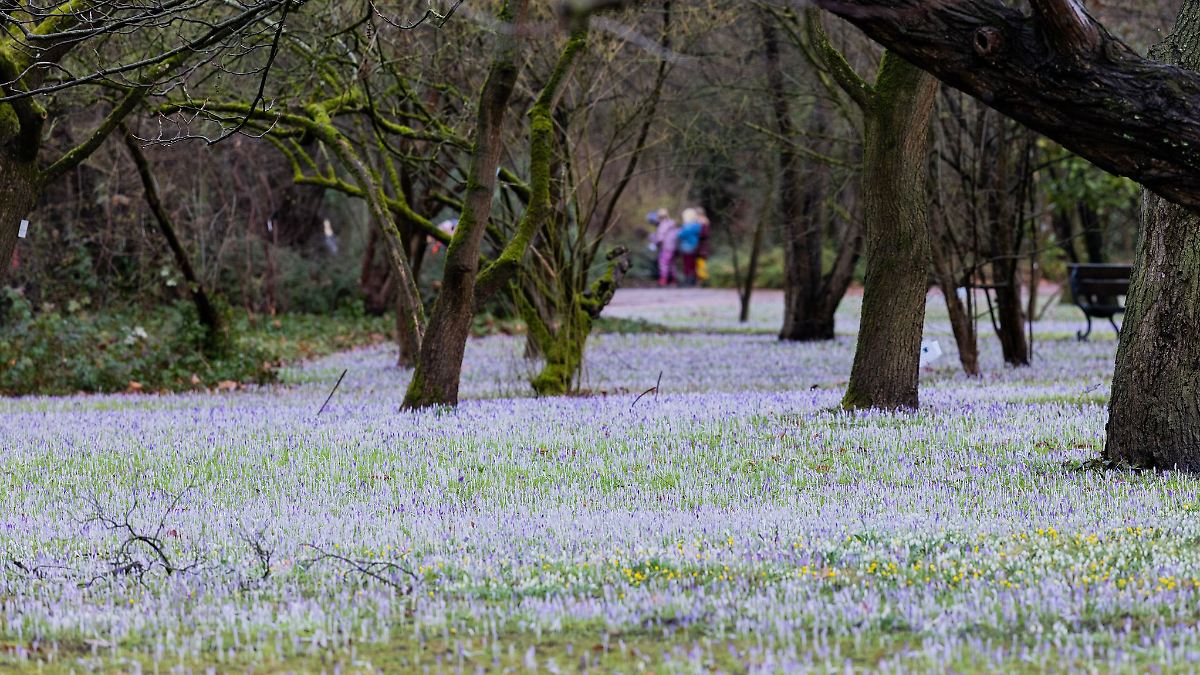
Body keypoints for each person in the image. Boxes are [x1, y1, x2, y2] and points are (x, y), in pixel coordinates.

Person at [650, 208, 679, 286]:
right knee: (672, 264)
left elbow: (660, 238)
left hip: (666, 247)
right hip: (674, 247)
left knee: (663, 263)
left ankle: (663, 280)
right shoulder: (672, 224)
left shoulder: (663, 225)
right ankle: (674, 280)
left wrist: (654, 241)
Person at [676, 208, 703, 286]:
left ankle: (688, 281)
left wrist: (679, 231)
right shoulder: (697, 225)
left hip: (687, 247)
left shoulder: (688, 226)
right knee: (692, 264)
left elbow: (681, 234)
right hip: (694, 246)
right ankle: (692, 280)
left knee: (687, 264)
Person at [695, 207, 711, 286]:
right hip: (701, 246)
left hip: (702, 246)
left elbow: (704, 235)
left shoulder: (703, 223)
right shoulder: (703, 222)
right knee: (700, 263)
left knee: (701, 263)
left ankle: (704, 279)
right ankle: (702, 280)